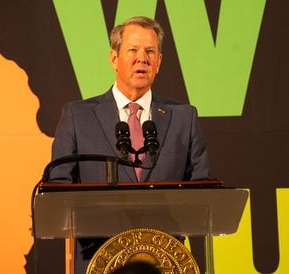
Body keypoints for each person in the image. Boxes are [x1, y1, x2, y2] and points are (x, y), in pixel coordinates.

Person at [50, 16, 211, 273]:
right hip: (98, 259)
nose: (142, 58)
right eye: (133, 50)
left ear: (158, 62)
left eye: (150, 51)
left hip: (164, 261)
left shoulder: (184, 117)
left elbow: (202, 190)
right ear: (114, 58)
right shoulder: (78, 116)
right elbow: (59, 189)